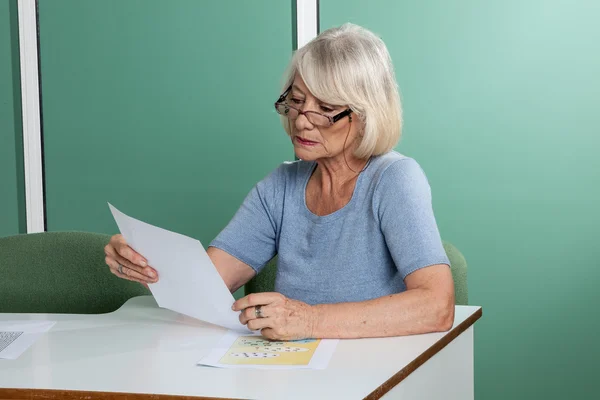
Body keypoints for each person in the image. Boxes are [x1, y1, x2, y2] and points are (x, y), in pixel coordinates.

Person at [104, 23, 455, 340]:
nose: (302, 121)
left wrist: (310, 321)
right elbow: (206, 285)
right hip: (291, 372)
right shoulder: (281, 185)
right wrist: (145, 260)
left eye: (325, 107)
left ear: (365, 114)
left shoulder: (394, 179)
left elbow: (436, 307)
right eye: (298, 101)